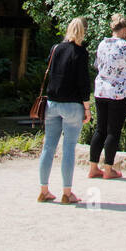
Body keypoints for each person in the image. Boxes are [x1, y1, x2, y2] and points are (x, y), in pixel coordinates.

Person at [37, 17, 91, 204]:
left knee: (48, 147)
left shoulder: (56, 49)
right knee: (68, 148)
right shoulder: (81, 52)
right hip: (72, 105)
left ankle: (44, 190)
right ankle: (67, 193)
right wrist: (87, 108)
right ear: (83, 32)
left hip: (52, 103)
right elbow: (83, 82)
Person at [89, 14, 126, 179]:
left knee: (100, 129)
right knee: (113, 131)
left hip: (101, 90)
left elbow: (97, 65)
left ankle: (93, 167)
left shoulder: (102, 44)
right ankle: (108, 169)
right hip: (118, 93)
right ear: (124, 30)